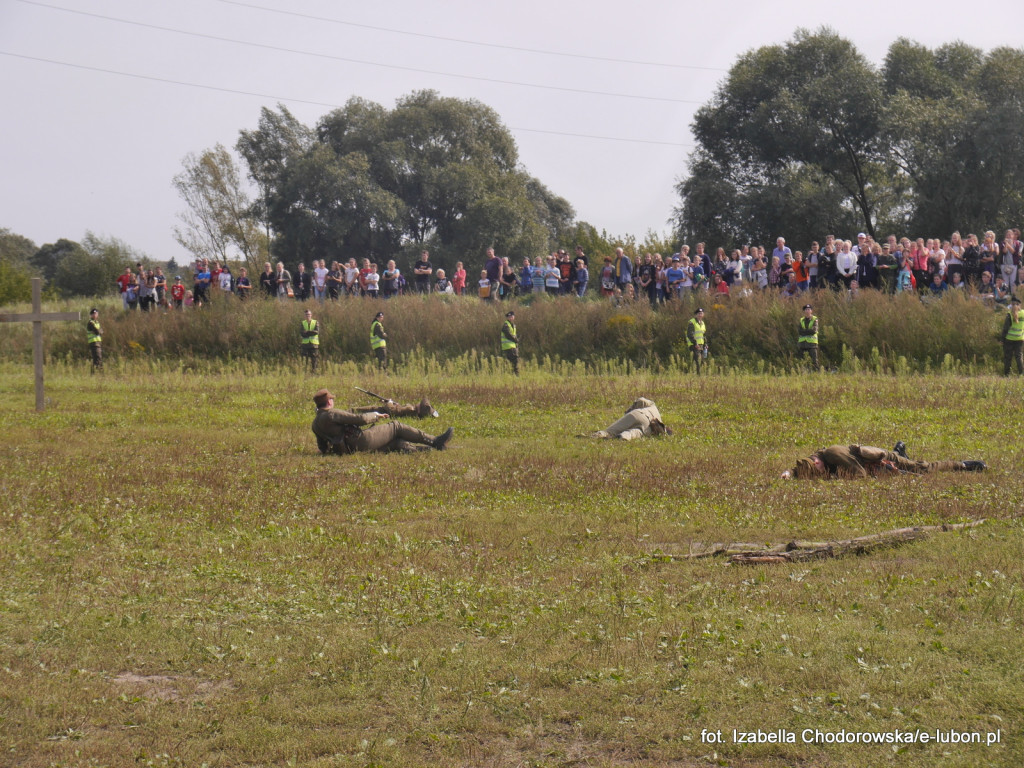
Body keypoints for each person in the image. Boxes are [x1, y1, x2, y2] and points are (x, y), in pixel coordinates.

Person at [311, 389, 453, 454]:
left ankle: (428, 450)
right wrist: (376, 415)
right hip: (361, 441)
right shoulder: (331, 414)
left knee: (396, 443)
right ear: (329, 401)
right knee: (396, 427)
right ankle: (435, 441)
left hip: (350, 450)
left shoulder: (315, 424)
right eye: (332, 399)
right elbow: (360, 419)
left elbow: (322, 446)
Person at [783, 443, 986, 479]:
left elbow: (860, 475)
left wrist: (836, 480)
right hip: (875, 467)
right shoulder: (816, 460)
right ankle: (901, 452)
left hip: (882, 459)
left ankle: (965, 465)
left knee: (923, 469)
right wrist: (789, 473)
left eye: (815, 472)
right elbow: (800, 467)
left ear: (818, 464)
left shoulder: (834, 455)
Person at [584, 398, 671, 440]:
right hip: (647, 426)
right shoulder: (653, 429)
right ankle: (622, 437)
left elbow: (641, 401)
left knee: (610, 431)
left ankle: (595, 436)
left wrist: (630, 410)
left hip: (637, 414)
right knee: (635, 432)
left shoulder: (653, 406)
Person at [1002, 297, 1024, 376]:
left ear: (1011, 305)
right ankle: (1021, 373)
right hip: (1020, 338)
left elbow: (1005, 328)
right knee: (1019, 356)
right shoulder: (1023, 313)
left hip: (1009, 339)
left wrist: (1002, 339)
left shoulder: (1009, 315)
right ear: (1020, 305)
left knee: (1008, 357)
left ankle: (1007, 374)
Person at [797, 304, 819, 368]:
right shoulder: (801, 320)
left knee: (814, 360)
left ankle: (816, 373)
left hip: (812, 344)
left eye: (809, 309)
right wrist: (808, 331)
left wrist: (804, 331)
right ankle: (804, 373)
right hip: (803, 343)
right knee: (802, 361)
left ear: (811, 311)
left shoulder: (814, 319)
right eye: (806, 309)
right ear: (804, 311)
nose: (807, 311)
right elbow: (799, 331)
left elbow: (813, 331)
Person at [686, 308, 707, 374]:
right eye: (698, 314)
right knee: (697, 360)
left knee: (702, 361)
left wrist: (706, 344)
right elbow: (690, 334)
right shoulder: (692, 322)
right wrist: (695, 343)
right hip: (694, 345)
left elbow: (703, 334)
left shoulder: (703, 323)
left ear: (703, 314)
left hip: (701, 344)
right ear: (696, 315)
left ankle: (700, 374)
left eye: (701, 313)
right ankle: (698, 375)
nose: (700, 315)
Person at [300, 308, 319, 374]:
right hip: (305, 344)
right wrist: (310, 333)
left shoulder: (315, 322)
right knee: (305, 359)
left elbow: (316, 332)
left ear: (311, 315)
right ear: (304, 316)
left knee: (314, 359)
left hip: (314, 344)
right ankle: (305, 372)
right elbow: (302, 333)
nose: (308, 316)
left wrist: (307, 332)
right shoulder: (302, 323)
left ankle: (314, 372)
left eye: (309, 314)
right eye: (306, 315)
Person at [501, 310, 519, 376]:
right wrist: (515, 340)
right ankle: (515, 375)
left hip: (513, 346)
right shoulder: (506, 325)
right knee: (514, 361)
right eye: (509, 317)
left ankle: (512, 374)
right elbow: (508, 334)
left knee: (513, 361)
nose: (510, 318)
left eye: (511, 316)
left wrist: (516, 342)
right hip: (508, 346)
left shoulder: (513, 325)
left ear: (514, 317)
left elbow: (514, 335)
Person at [86, 308, 102, 372]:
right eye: (93, 314)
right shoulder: (90, 323)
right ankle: (100, 372)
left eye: (95, 313)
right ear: (90, 315)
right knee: (98, 358)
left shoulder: (97, 322)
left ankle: (93, 373)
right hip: (94, 343)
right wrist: (99, 331)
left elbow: (101, 331)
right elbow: (97, 332)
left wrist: (99, 331)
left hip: (98, 343)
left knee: (97, 358)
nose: (94, 315)